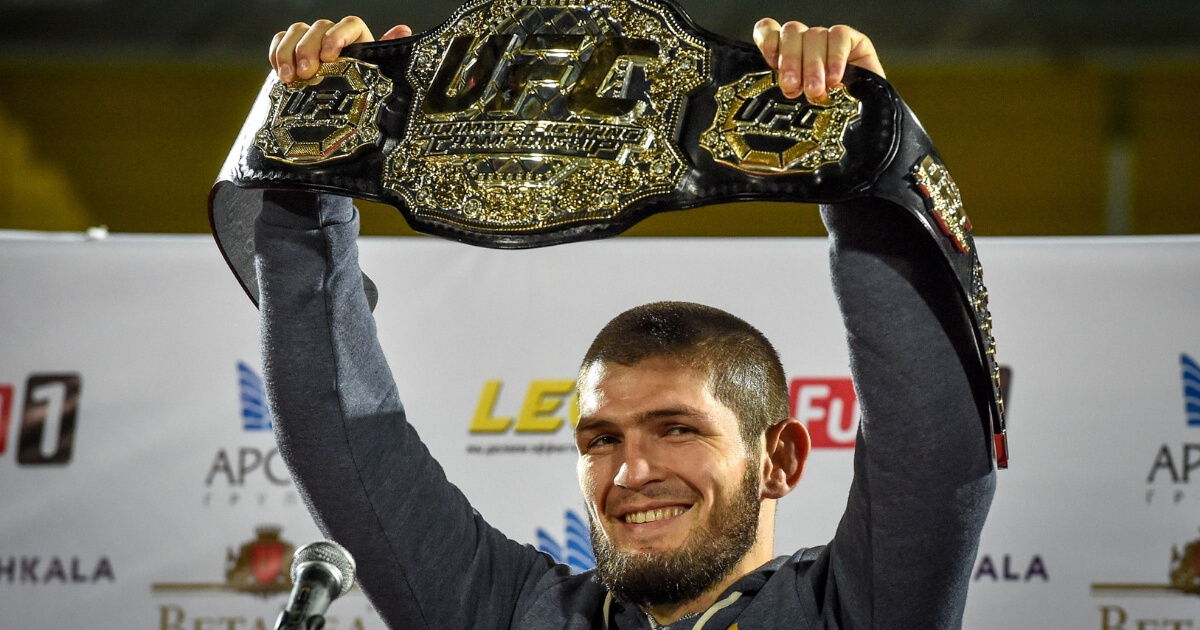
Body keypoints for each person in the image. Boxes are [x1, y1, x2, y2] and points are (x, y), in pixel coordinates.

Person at [256, 14, 996, 630]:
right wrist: (313, 157)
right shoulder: (514, 613)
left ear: (780, 459)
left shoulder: (851, 614)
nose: (631, 473)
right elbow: (344, 437)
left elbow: (933, 447)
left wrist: (859, 150)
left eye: (677, 429)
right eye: (602, 439)